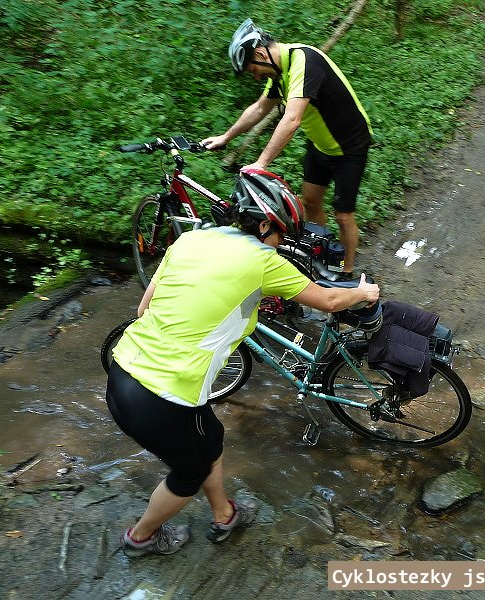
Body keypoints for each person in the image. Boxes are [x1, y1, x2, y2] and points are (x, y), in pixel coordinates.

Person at [106, 170, 380, 557]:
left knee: (211, 438)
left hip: (124, 371)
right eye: (282, 232)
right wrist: (364, 292)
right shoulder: (264, 261)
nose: (282, 241)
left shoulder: (191, 239)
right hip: (164, 396)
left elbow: (143, 308)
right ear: (266, 223)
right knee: (189, 473)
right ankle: (141, 537)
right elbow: (331, 301)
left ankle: (224, 515)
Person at [202, 18, 373, 280]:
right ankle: (322, 257)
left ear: (260, 53)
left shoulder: (304, 61)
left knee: (343, 215)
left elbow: (292, 119)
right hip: (320, 145)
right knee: (311, 201)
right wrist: (226, 137)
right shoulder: (280, 72)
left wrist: (261, 163)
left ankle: (347, 274)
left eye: (253, 70)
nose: (256, 76)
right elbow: (260, 108)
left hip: (350, 146)